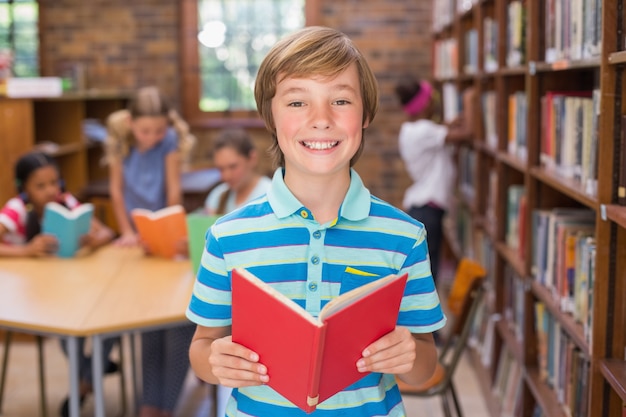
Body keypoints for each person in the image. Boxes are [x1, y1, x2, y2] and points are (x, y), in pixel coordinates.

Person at [186, 26, 446, 416]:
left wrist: (409, 355)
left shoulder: (404, 238)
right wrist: (215, 361)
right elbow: (201, 348)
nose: (321, 119)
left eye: (340, 100)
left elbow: (425, 364)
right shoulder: (227, 236)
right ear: (270, 115)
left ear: (366, 115)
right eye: (296, 103)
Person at [0, 151, 117, 416]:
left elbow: (107, 233)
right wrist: (27, 250)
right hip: (30, 296)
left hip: (70, 288)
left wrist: (93, 240)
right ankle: (93, 370)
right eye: (40, 186)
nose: (51, 190)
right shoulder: (17, 209)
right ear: (23, 188)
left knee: (106, 319)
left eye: (55, 182)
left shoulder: (67, 202)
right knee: (69, 332)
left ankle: (85, 381)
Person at [104, 86, 196, 417]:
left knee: (167, 318)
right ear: (130, 123)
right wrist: (127, 231)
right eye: (146, 131)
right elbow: (116, 191)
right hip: (133, 236)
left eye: (159, 130)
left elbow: (173, 189)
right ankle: (148, 404)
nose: (153, 137)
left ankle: (164, 406)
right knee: (144, 323)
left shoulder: (169, 141)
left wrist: (168, 227)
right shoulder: (119, 142)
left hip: (162, 236)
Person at [394, 75, 474, 285]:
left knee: (426, 268)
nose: (435, 102)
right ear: (423, 105)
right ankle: (428, 316)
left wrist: (450, 123)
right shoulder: (425, 131)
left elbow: (440, 131)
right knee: (430, 273)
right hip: (428, 210)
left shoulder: (411, 130)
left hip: (422, 208)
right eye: (431, 99)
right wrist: (470, 98)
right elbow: (467, 134)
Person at [204, 127, 271, 216]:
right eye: (221, 169)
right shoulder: (217, 197)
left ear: (252, 158)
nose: (226, 176)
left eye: (233, 167)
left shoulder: (270, 196)